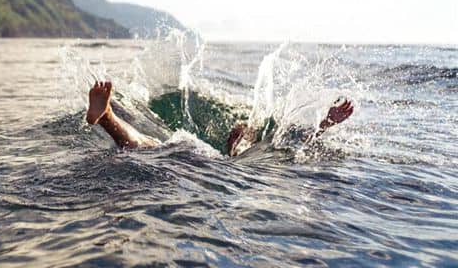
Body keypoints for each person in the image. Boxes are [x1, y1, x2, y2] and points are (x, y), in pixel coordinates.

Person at [86, 81, 354, 157]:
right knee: (148, 146)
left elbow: (291, 139)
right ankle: (107, 116)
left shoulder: (264, 142)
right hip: (209, 163)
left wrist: (325, 123)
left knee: (148, 146)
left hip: (195, 154)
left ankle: (107, 116)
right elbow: (295, 141)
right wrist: (325, 124)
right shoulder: (267, 144)